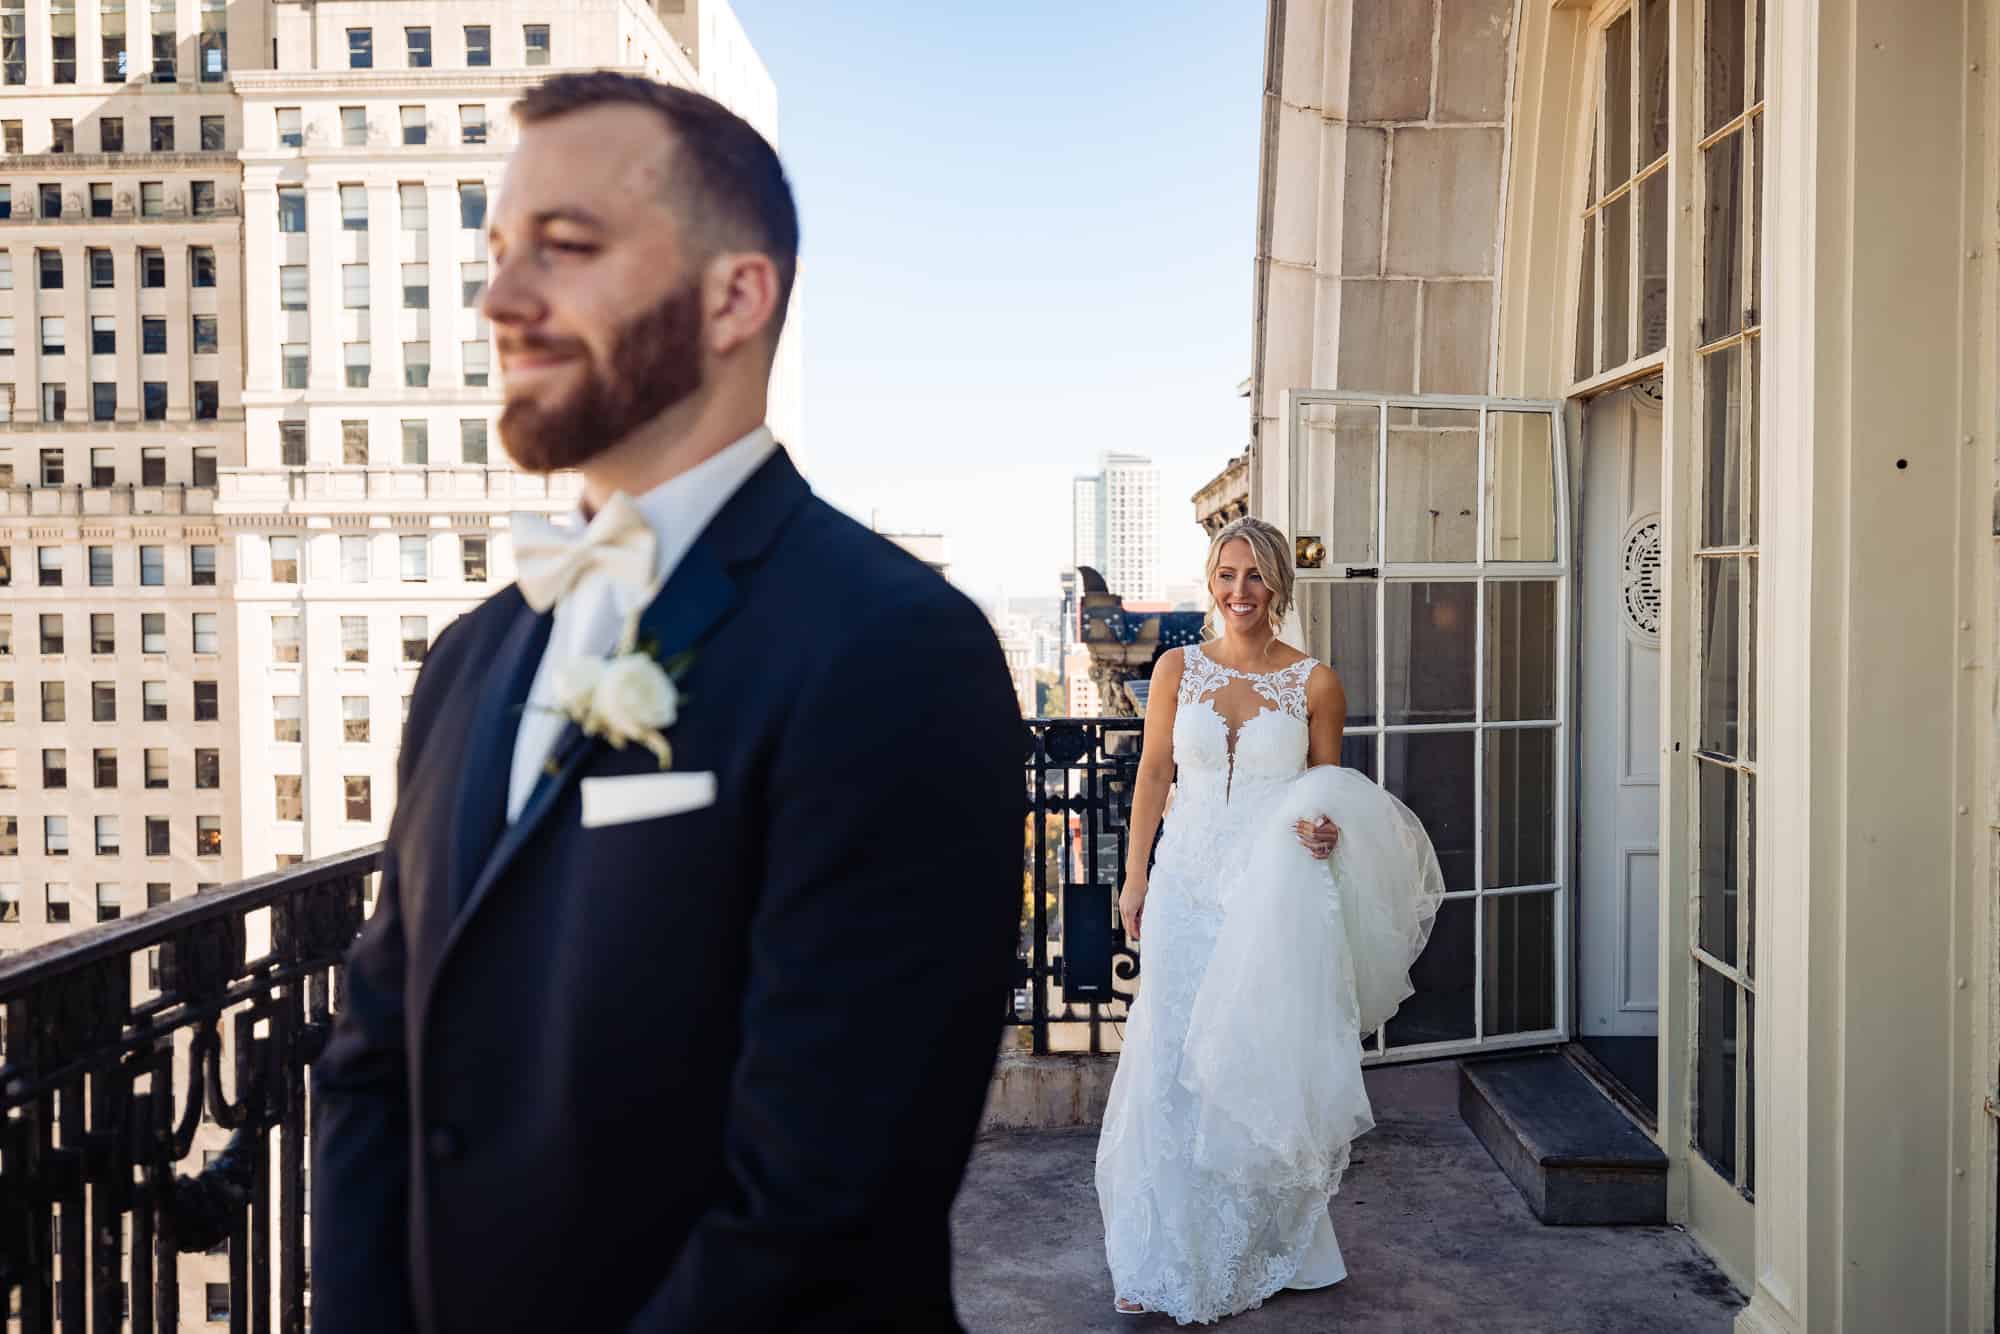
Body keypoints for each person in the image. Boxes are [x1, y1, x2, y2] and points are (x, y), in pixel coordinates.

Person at [310, 72, 1025, 1334]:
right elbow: (376, 1064)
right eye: (498, 251)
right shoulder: (470, 656)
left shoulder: (898, 649)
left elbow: (820, 1205)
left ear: (734, 296)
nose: (498, 300)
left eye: (566, 248)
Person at [1095, 516, 1445, 1323]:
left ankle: (1260, 1245)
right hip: (1183, 881)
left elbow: (1326, 795)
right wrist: (1134, 877)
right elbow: (1153, 774)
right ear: (1210, 581)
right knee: (1170, 1057)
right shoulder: (1177, 668)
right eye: (1226, 574)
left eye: (1254, 576)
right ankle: (1157, 1251)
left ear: (1278, 583)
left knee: (1249, 1057)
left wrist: (1325, 832)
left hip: (1266, 891)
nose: (1238, 591)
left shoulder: (1316, 683)